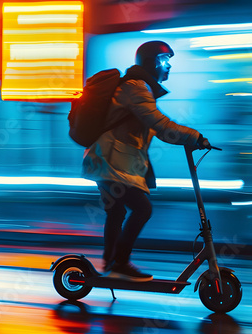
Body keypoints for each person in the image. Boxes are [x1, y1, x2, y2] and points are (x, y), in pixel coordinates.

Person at [82, 41, 211, 282]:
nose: (168, 66)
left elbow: (148, 132)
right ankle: (118, 263)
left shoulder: (141, 88)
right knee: (142, 209)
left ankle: (112, 263)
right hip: (110, 163)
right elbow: (160, 126)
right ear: (151, 62)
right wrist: (195, 137)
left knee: (117, 212)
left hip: (111, 162)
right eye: (164, 61)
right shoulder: (136, 88)